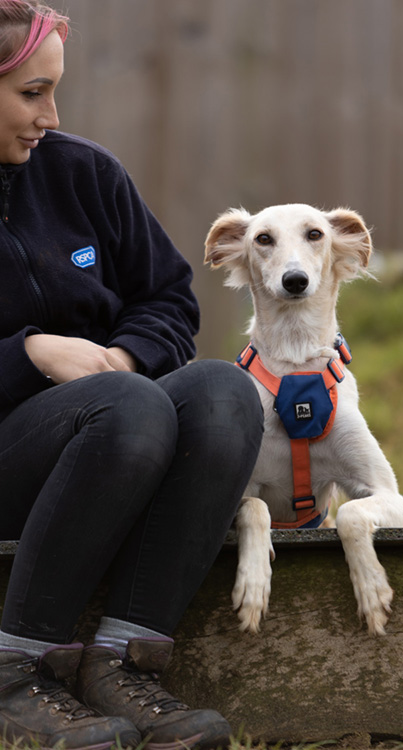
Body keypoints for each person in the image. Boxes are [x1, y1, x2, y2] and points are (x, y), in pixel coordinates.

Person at [0, 2, 263, 748]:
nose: (50, 115)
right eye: (30, 94)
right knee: (126, 406)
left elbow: (167, 299)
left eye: (55, 92)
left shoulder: (85, 173)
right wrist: (29, 354)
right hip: (16, 459)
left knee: (222, 391)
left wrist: (122, 357)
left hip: (111, 442)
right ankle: (16, 670)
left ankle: (123, 663)